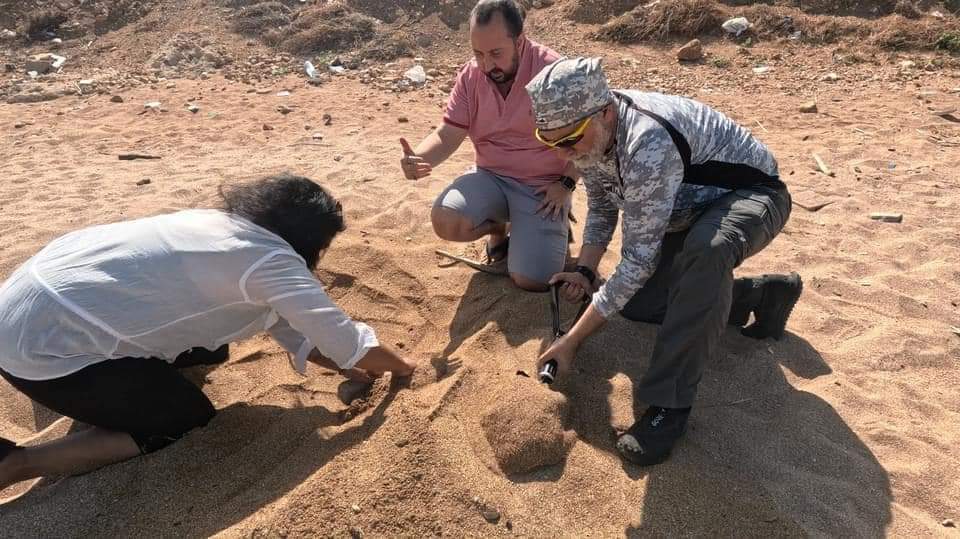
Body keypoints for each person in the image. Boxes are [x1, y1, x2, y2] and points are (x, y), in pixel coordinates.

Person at [0, 174, 416, 489]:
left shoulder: (216, 223)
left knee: (214, 350)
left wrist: (344, 366)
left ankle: (122, 391)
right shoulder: (272, 262)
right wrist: (403, 367)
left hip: (22, 307)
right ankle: (18, 463)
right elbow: (346, 343)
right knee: (184, 416)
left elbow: (288, 324)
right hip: (41, 353)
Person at [528, 58, 803, 466]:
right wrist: (586, 270)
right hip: (685, 213)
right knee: (639, 304)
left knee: (707, 253)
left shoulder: (646, 143)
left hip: (753, 197)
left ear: (603, 112)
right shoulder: (593, 137)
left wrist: (572, 341)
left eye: (568, 140)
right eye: (549, 142)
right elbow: (603, 206)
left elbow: (637, 261)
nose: (563, 153)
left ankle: (668, 409)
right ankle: (758, 297)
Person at [398, 0, 579, 291]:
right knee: (446, 219)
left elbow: (588, 138)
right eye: (478, 54)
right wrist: (419, 158)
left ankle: (540, 227)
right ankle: (500, 228)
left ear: (519, 40)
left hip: (543, 188)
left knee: (533, 280)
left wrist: (567, 183)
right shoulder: (471, 76)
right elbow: (447, 135)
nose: (486, 65)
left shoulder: (553, 72)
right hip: (491, 176)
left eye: (496, 53)